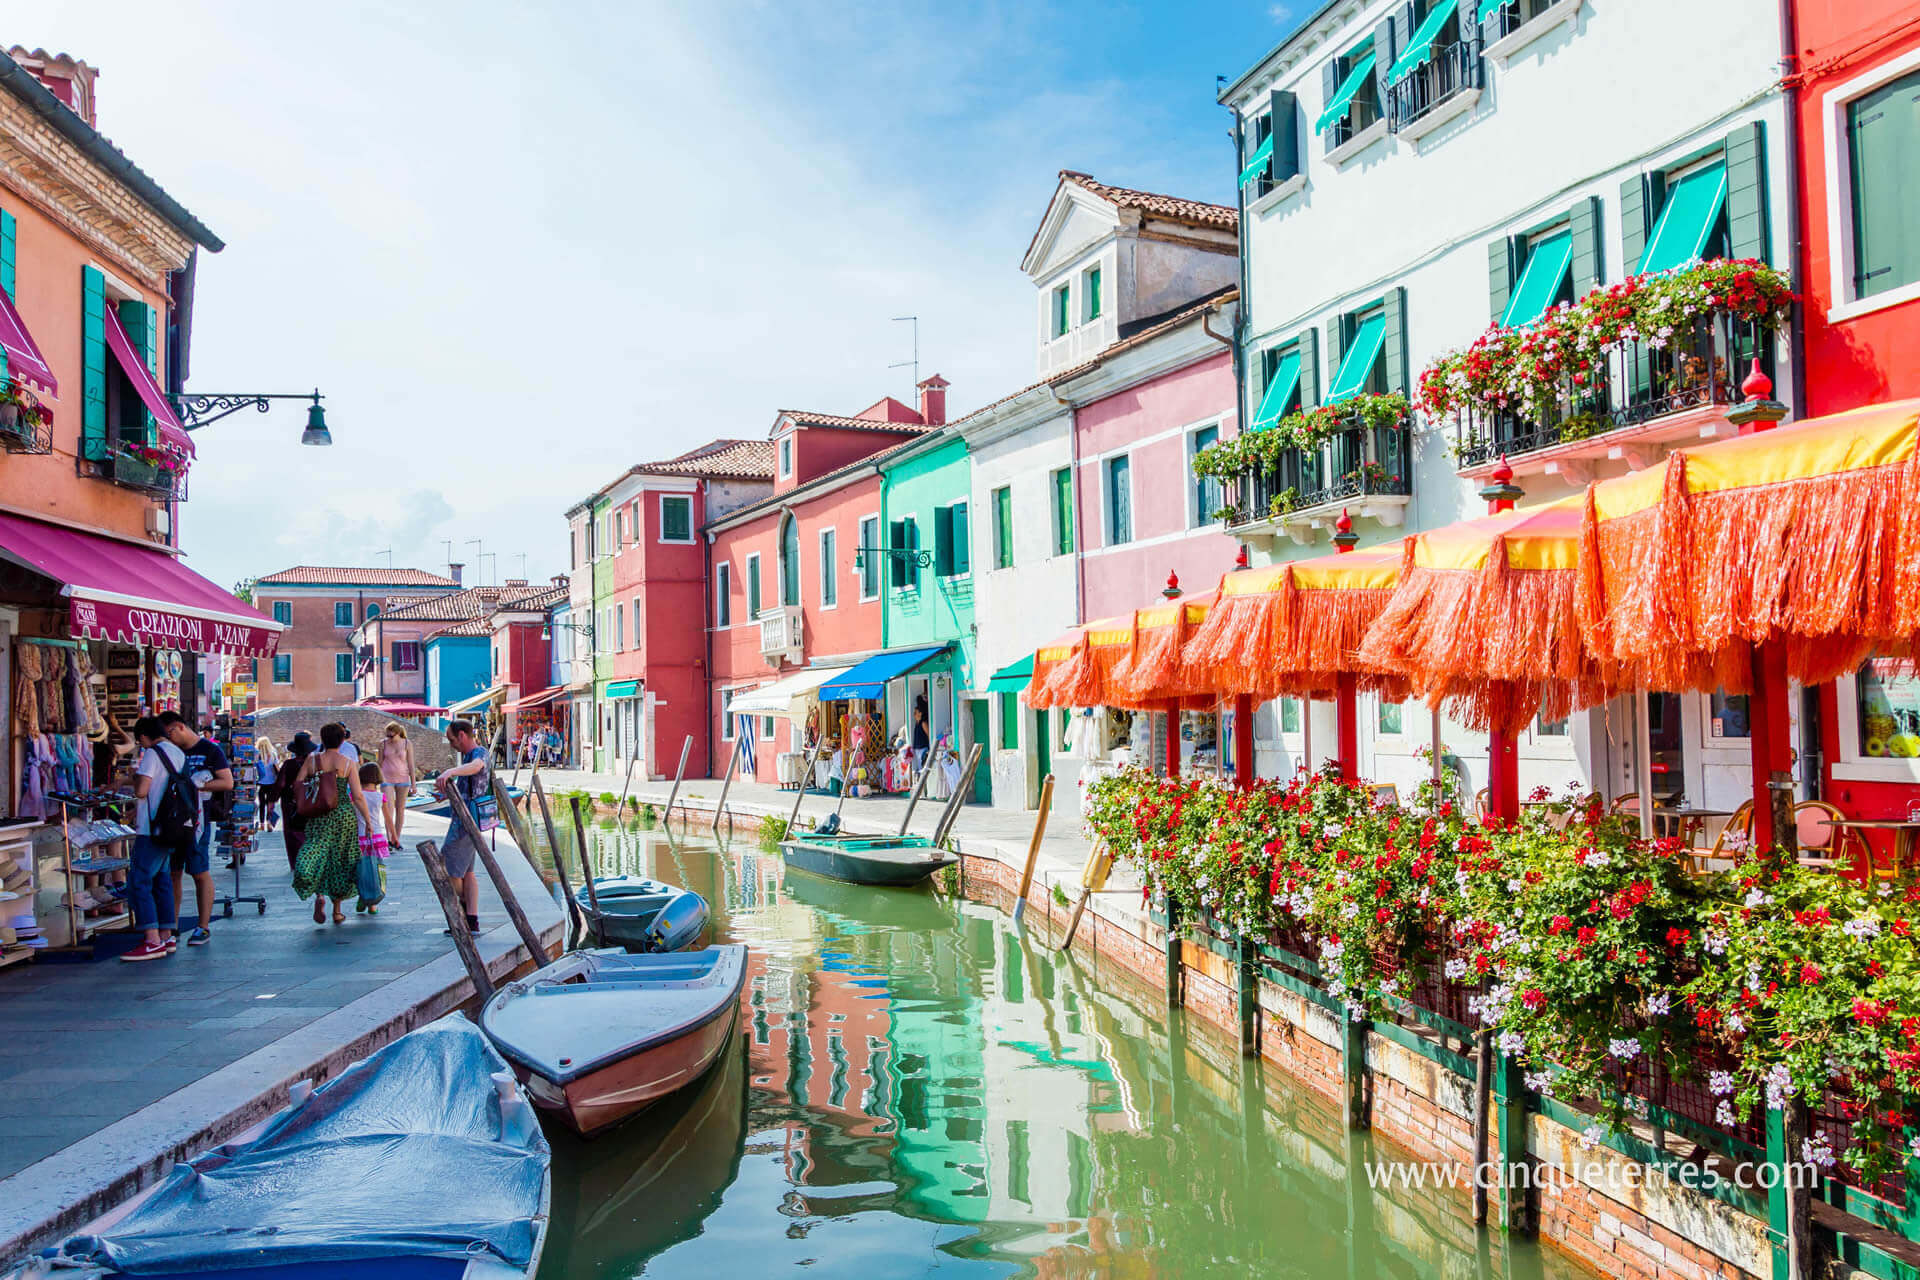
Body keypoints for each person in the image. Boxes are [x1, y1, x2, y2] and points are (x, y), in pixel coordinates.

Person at [121, 717, 191, 962]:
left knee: (139, 881)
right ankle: (166, 933)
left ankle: (151, 939)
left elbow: (142, 790)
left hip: (152, 828)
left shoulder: (152, 754)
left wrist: (135, 778)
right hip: (173, 827)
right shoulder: (178, 753)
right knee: (161, 880)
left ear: (143, 737)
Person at [158, 711, 230, 948]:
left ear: (179, 727)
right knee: (173, 872)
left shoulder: (210, 750)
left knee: (199, 871)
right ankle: (173, 924)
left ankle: (203, 925)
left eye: (168, 733)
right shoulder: (172, 752)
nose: (167, 739)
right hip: (173, 819)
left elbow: (227, 782)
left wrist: (196, 785)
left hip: (197, 820)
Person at [291, 723, 374, 925]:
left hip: (319, 814)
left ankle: (318, 894)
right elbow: (358, 796)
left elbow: (297, 785)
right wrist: (368, 820)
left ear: (322, 739)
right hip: (342, 815)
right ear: (343, 739)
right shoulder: (347, 763)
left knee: (316, 851)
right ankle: (337, 911)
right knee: (339, 861)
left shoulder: (312, 760)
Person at [431, 719, 492, 934]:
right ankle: (472, 920)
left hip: (466, 823)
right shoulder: (467, 757)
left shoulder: (479, 754)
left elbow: (477, 767)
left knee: (446, 868)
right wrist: (445, 794)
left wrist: (451, 771)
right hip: (464, 819)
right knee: (467, 873)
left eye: (452, 739)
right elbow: (465, 787)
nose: (451, 744)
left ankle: (465, 906)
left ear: (462, 736)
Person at [278, 731, 316, 869]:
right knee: (310, 829)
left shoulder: (289, 764)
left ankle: (295, 861)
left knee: (291, 832)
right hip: (310, 799)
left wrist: (271, 801)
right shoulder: (314, 763)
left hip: (290, 801)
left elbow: (280, 784)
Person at [355, 761, 389, 914]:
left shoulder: (355, 796)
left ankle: (363, 897)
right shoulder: (381, 797)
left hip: (360, 837)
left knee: (361, 870)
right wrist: (394, 837)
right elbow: (388, 818)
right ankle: (373, 904)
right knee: (375, 869)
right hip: (377, 837)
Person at [377, 722, 415, 849]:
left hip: (403, 778)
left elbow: (411, 764)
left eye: (391, 736)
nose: (389, 739)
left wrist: (414, 784)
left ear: (398, 734)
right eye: (387, 736)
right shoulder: (383, 743)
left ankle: (396, 839)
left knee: (400, 809)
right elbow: (379, 762)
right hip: (386, 778)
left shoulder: (407, 743)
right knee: (388, 809)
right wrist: (376, 779)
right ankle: (389, 838)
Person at [911, 698, 931, 771]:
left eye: (915, 713)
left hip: (923, 748)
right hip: (918, 749)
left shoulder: (923, 723)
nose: (914, 715)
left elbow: (929, 735)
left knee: (923, 766)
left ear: (920, 713)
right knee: (920, 766)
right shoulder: (917, 723)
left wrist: (929, 748)